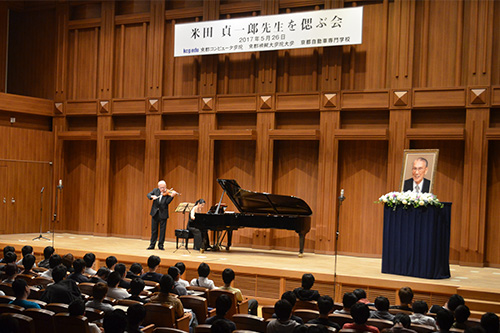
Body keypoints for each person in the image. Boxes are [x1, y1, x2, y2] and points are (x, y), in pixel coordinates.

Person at [147, 180, 179, 250]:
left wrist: (172, 196)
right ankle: (152, 245)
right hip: (155, 213)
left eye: (164, 187)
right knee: (154, 230)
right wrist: (152, 196)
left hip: (163, 214)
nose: (163, 189)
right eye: (161, 187)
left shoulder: (167, 193)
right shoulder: (155, 191)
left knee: (162, 231)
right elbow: (148, 195)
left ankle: (161, 245)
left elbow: (167, 202)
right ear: (158, 187)